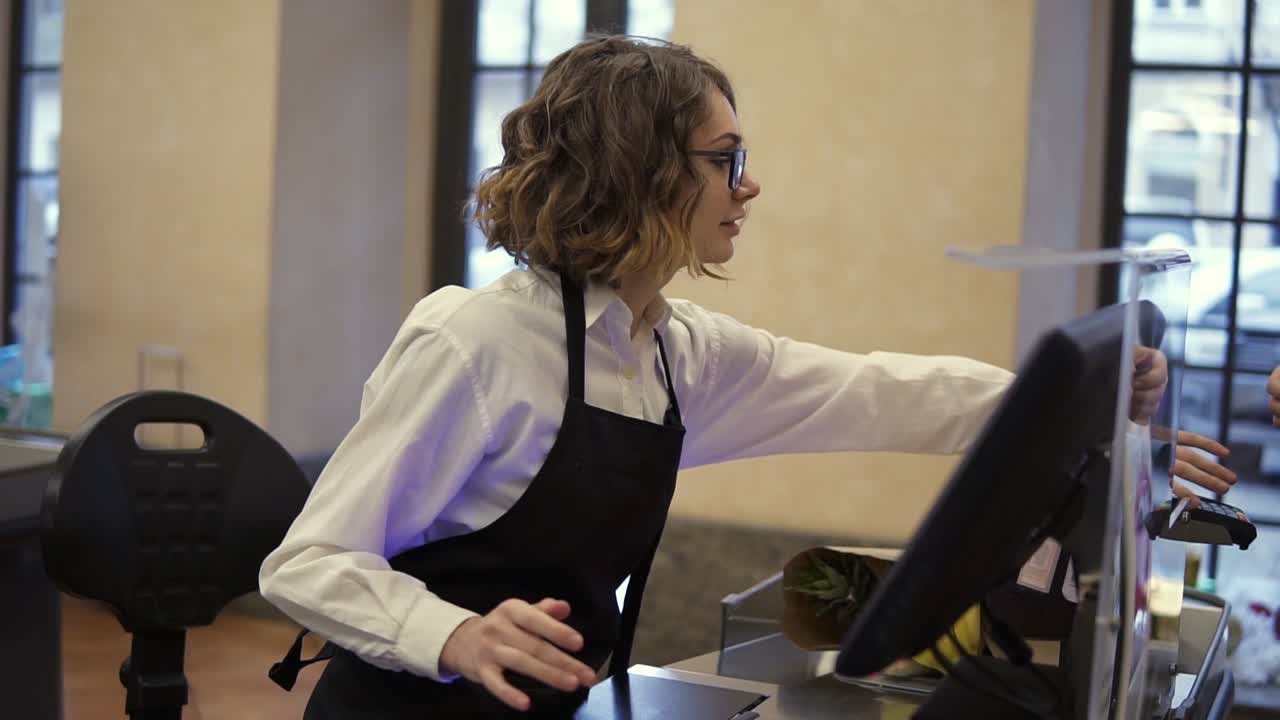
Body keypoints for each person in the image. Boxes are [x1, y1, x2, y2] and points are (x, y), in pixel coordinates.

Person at [258, 35, 1234, 718]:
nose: (748, 184)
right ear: (641, 171)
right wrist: (451, 635)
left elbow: (874, 389)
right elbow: (309, 563)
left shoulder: (676, 353)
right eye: (726, 159)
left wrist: (1078, 410)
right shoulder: (474, 343)